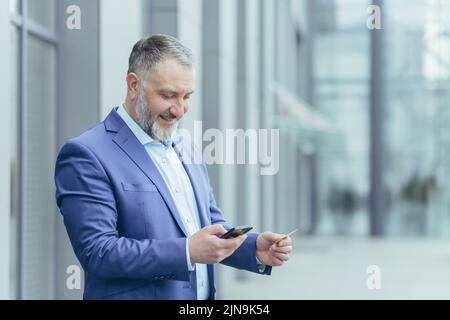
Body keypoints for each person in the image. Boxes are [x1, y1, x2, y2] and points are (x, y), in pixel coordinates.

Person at [54, 34, 293, 300]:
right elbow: (98, 253)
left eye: (187, 96)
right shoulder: (86, 154)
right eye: (168, 95)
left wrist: (252, 248)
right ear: (134, 85)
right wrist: (186, 252)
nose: (179, 110)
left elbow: (209, 224)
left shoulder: (186, 145)